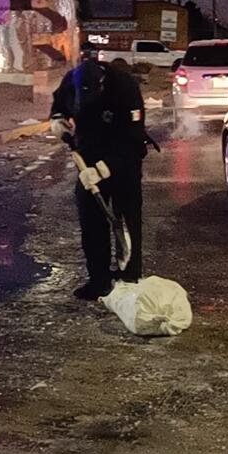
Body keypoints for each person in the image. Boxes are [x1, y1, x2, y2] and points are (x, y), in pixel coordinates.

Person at [51, 56, 147, 300]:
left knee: (127, 218)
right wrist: (58, 121)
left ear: (102, 84)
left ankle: (129, 277)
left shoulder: (125, 87)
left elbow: (133, 139)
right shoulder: (71, 81)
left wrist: (104, 169)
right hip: (88, 154)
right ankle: (99, 280)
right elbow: (59, 106)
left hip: (123, 158)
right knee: (91, 219)